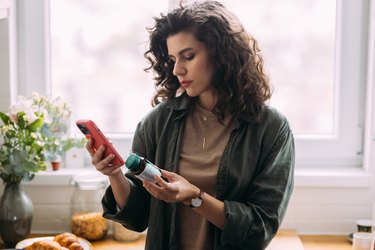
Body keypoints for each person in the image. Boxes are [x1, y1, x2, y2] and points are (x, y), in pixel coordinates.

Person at [86, 1, 295, 249]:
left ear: (222, 54)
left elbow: (260, 228)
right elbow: (138, 216)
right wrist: (114, 175)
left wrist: (195, 197)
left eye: (189, 56)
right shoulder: (157, 123)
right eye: (173, 58)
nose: (177, 69)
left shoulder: (270, 129)